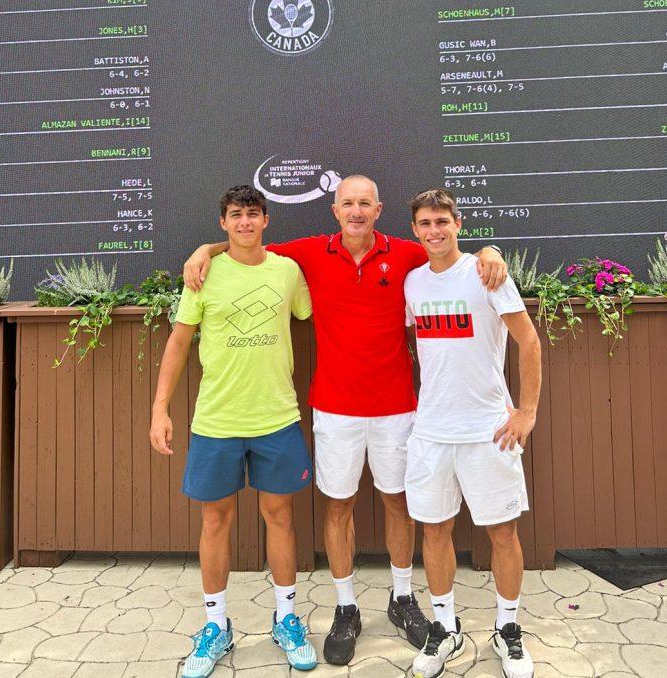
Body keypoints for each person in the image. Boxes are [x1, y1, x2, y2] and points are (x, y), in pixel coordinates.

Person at [183, 174, 508, 666]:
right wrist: (203, 250)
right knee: (338, 506)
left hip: (397, 406)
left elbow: (451, 252)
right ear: (335, 210)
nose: (356, 211)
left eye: (365, 203)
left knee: (398, 503)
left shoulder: (407, 253)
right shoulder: (309, 252)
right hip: (334, 407)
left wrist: (490, 250)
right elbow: (246, 244)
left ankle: (403, 598)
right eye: (348, 203)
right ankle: (346, 606)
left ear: (378, 210)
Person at [150, 185, 318, 676]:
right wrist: (160, 409)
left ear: (266, 219)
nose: (245, 222)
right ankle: (215, 626)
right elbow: (179, 342)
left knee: (280, 517)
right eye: (236, 215)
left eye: (253, 213)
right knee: (215, 522)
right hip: (217, 420)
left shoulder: (287, 272)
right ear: (223, 222)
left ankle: (286, 618)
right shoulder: (203, 274)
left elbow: (309, 313)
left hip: (276, 417)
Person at [403, 188, 541, 678]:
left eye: (442, 221)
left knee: (502, 533)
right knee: (434, 531)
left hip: (488, 431)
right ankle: (445, 629)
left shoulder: (486, 273)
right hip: (431, 431)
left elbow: (529, 341)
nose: (434, 231)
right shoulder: (413, 283)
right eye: (425, 223)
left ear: (458, 224)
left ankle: (507, 630)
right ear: (415, 230)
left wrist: (526, 411)